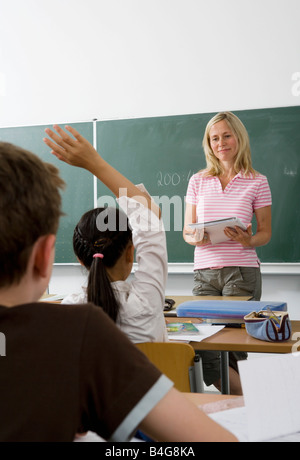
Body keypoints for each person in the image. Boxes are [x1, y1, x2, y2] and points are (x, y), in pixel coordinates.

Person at [0, 137, 237, 442]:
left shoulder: (69, 316)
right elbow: (149, 219)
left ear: (74, 256)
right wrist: (94, 163)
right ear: (47, 255)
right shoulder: (79, 329)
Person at [183, 112, 272, 395]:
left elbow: (265, 233)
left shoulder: (257, 181)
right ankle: (257, 406)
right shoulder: (198, 180)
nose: (221, 142)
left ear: (238, 137)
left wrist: (248, 240)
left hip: (242, 273)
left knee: (233, 351)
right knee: (206, 351)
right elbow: (187, 232)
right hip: (204, 275)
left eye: (226, 135)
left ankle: (245, 418)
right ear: (208, 143)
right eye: (214, 138)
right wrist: (195, 236)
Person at [56, 133, 167, 344]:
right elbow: (149, 217)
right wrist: (95, 164)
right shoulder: (146, 302)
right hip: (150, 379)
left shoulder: (70, 310)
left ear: (81, 259)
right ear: (130, 252)